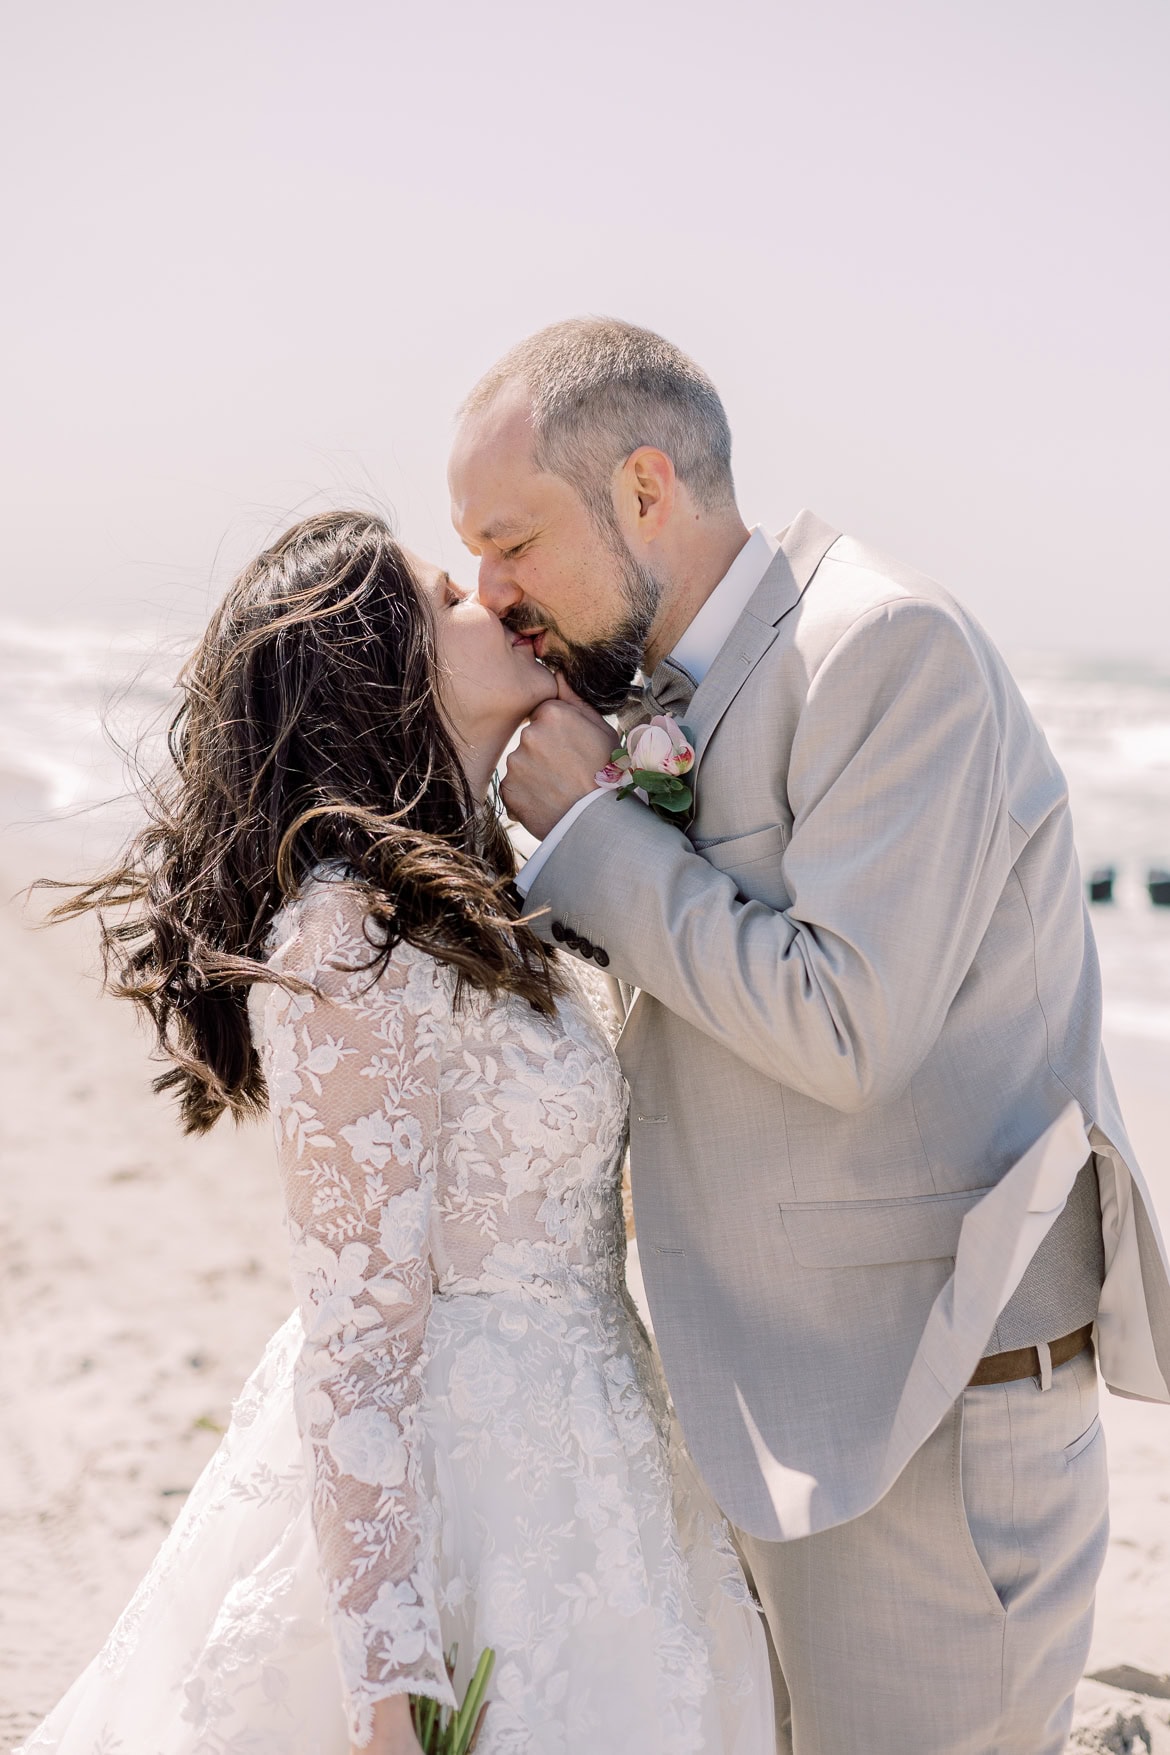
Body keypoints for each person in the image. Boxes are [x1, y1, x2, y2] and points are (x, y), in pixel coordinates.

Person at [448, 316, 1170, 1755]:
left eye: (512, 540)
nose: (491, 588)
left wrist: (594, 827)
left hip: (919, 1428)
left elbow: (844, 1022)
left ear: (644, 489)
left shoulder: (884, 646)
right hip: (772, 1413)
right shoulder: (667, 684)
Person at [19, 511, 775, 1755]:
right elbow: (356, 1346)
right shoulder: (344, 938)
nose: (498, 598)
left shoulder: (488, 902)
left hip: (602, 1448)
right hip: (459, 1476)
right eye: (449, 600)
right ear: (384, 672)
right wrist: (385, 1682)